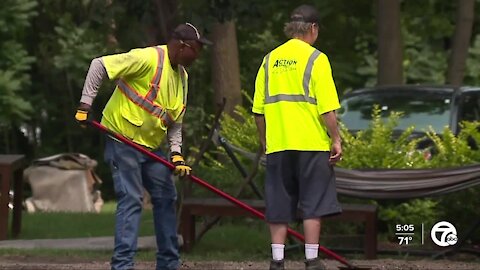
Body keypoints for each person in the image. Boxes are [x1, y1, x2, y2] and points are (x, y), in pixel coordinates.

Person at [74, 23, 211, 270]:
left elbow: (175, 122)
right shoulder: (147, 58)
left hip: (151, 148)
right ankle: (123, 265)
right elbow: (99, 65)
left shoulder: (182, 77)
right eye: (196, 50)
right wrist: (85, 106)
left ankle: (169, 264)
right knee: (132, 198)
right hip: (122, 138)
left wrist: (177, 155)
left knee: (166, 196)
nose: (198, 56)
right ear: (181, 46)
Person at [252, 5, 342, 270]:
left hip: (278, 143)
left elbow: (258, 111)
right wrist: (335, 138)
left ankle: (277, 261)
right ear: (313, 28)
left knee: (278, 202)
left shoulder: (269, 60)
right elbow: (327, 109)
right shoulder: (317, 59)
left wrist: (264, 140)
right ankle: (312, 260)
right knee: (313, 203)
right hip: (311, 144)